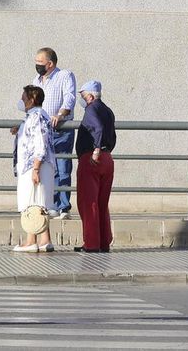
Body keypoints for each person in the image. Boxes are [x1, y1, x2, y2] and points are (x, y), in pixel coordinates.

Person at [31, 47, 78, 216]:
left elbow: (70, 98)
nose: (37, 65)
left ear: (50, 64)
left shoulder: (64, 76)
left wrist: (60, 114)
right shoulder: (36, 80)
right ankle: (51, 204)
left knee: (63, 167)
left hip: (60, 129)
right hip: (42, 131)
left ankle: (63, 206)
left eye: (40, 62)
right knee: (47, 169)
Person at [74, 80, 117, 253]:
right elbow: (112, 134)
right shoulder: (107, 110)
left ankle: (92, 243)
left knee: (88, 202)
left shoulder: (91, 109)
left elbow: (97, 128)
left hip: (92, 159)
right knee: (102, 202)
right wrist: (105, 150)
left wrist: (96, 150)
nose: (82, 100)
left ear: (90, 96)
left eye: (83, 96)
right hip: (107, 159)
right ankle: (104, 241)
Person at [14, 84, 56, 252]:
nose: (22, 101)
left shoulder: (36, 116)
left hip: (34, 165)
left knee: (31, 203)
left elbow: (40, 143)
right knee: (40, 204)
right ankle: (45, 240)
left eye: (24, 98)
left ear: (31, 100)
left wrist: (36, 168)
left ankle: (30, 241)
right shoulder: (38, 116)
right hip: (38, 165)